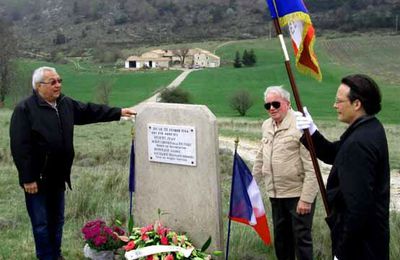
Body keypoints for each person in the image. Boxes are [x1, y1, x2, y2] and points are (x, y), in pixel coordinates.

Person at [9, 66, 136, 260]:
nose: (58, 85)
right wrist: (28, 178)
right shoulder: (25, 109)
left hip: (58, 177)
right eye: (53, 82)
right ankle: (46, 257)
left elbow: (89, 111)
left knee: (57, 221)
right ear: (38, 86)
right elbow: (20, 146)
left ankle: (56, 255)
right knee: (41, 224)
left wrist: (118, 112)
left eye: (59, 80)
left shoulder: (65, 103)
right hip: (37, 181)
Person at [295, 74, 390, 260]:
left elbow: (357, 208)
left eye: (339, 101)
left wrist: (343, 252)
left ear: (357, 104)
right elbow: (334, 153)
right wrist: (311, 132)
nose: (334, 105)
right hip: (369, 242)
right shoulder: (369, 128)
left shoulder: (359, 142)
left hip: (360, 248)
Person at [252, 86, 319, 260]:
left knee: (301, 241)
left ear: (288, 104)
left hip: (297, 195)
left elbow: (312, 167)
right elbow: (261, 155)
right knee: (282, 241)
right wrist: (251, 182)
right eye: (268, 106)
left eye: (276, 104)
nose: (271, 108)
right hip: (275, 194)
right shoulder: (266, 125)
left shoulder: (300, 125)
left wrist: (306, 199)